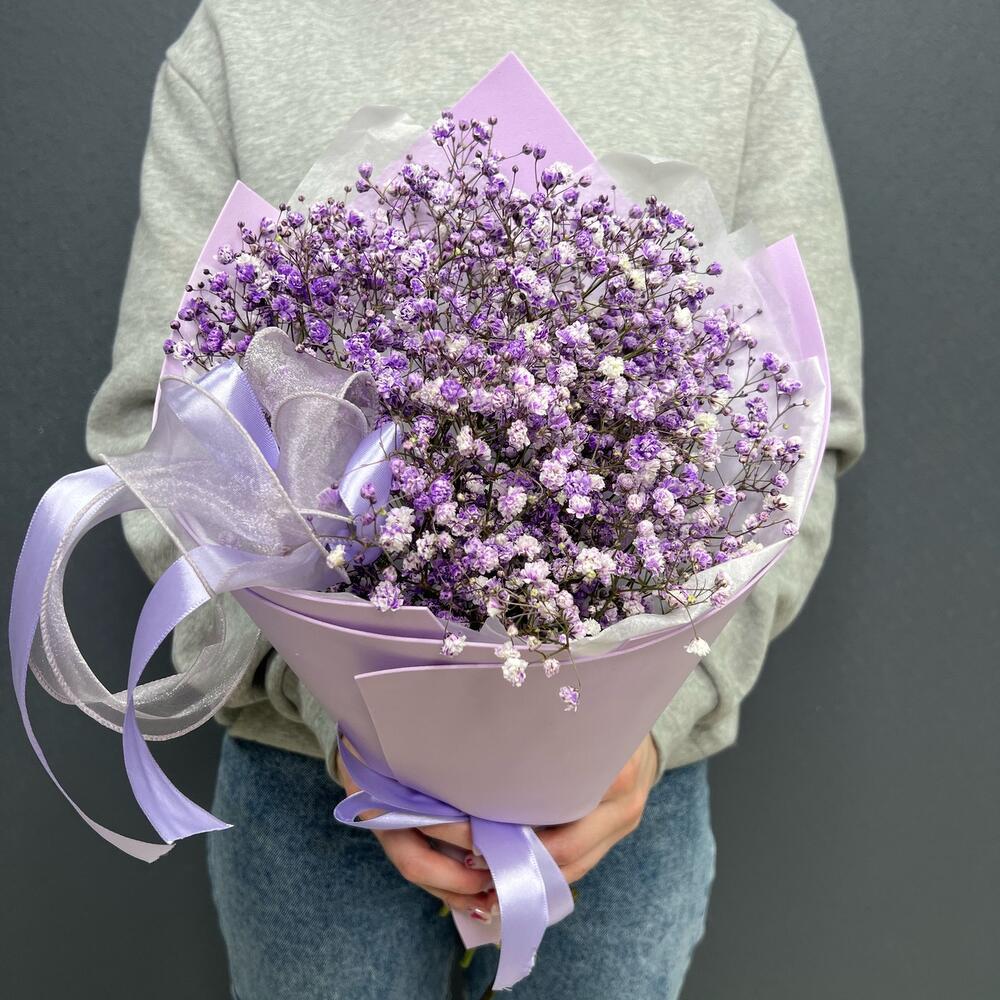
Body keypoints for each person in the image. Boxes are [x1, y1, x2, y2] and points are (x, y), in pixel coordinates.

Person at [87, 1, 865, 997]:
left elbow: (803, 429)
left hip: (620, 805)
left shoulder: (737, 40)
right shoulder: (247, 35)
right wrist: (329, 709)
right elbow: (161, 435)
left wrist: (655, 720)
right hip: (311, 801)